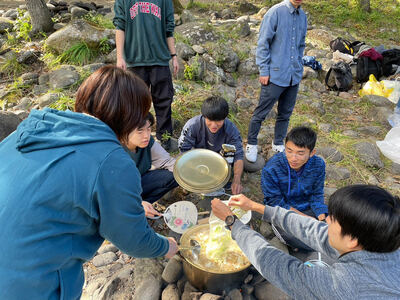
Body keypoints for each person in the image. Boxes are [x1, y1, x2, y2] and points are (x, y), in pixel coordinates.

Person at [0, 66, 178, 300]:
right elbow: (133, 240)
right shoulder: (111, 159)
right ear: (128, 114)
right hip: (29, 281)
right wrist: (167, 246)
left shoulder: (31, 130)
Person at [211, 185, 400, 299]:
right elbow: (312, 230)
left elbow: (276, 265)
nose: (326, 220)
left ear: (351, 239)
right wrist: (257, 207)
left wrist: (232, 222)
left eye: (332, 219)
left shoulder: (341, 287)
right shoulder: (384, 240)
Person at [245, 0, 307, 162]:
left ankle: (278, 142)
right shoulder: (275, 12)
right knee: (261, 112)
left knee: (285, 113)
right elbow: (263, 43)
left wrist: (299, 66)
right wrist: (264, 70)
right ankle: (251, 143)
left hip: (293, 75)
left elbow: (301, 44)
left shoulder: (303, 16)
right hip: (275, 74)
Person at [114, 0, 179, 150]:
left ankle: (165, 139)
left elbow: (169, 28)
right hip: (134, 60)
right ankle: (135, 141)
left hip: (160, 60)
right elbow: (120, 25)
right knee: (134, 103)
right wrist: (119, 57)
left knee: (164, 101)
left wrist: (174, 56)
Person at [262, 126, 328, 250]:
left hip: (308, 207)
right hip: (283, 211)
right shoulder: (272, 168)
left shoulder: (318, 165)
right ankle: (320, 244)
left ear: (312, 153)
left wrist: (321, 217)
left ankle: (320, 242)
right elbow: (275, 202)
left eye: (300, 153)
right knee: (290, 235)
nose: (293, 158)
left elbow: (317, 193)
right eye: (289, 150)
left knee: (336, 220)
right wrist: (306, 220)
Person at [178, 96, 244, 194]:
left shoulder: (231, 129)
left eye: (218, 121)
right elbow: (183, 151)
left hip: (219, 161)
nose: (214, 125)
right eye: (210, 120)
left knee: (231, 173)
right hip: (197, 159)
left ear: (225, 118)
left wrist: (237, 180)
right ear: (204, 116)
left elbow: (238, 156)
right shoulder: (192, 126)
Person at [124, 112, 178, 207]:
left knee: (175, 175)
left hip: (139, 182)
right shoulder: (116, 151)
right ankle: (134, 208)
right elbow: (111, 189)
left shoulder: (147, 142)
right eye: (140, 131)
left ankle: (145, 206)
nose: (146, 135)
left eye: (148, 129)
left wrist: (187, 173)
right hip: (121, 191)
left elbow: (166, 161)